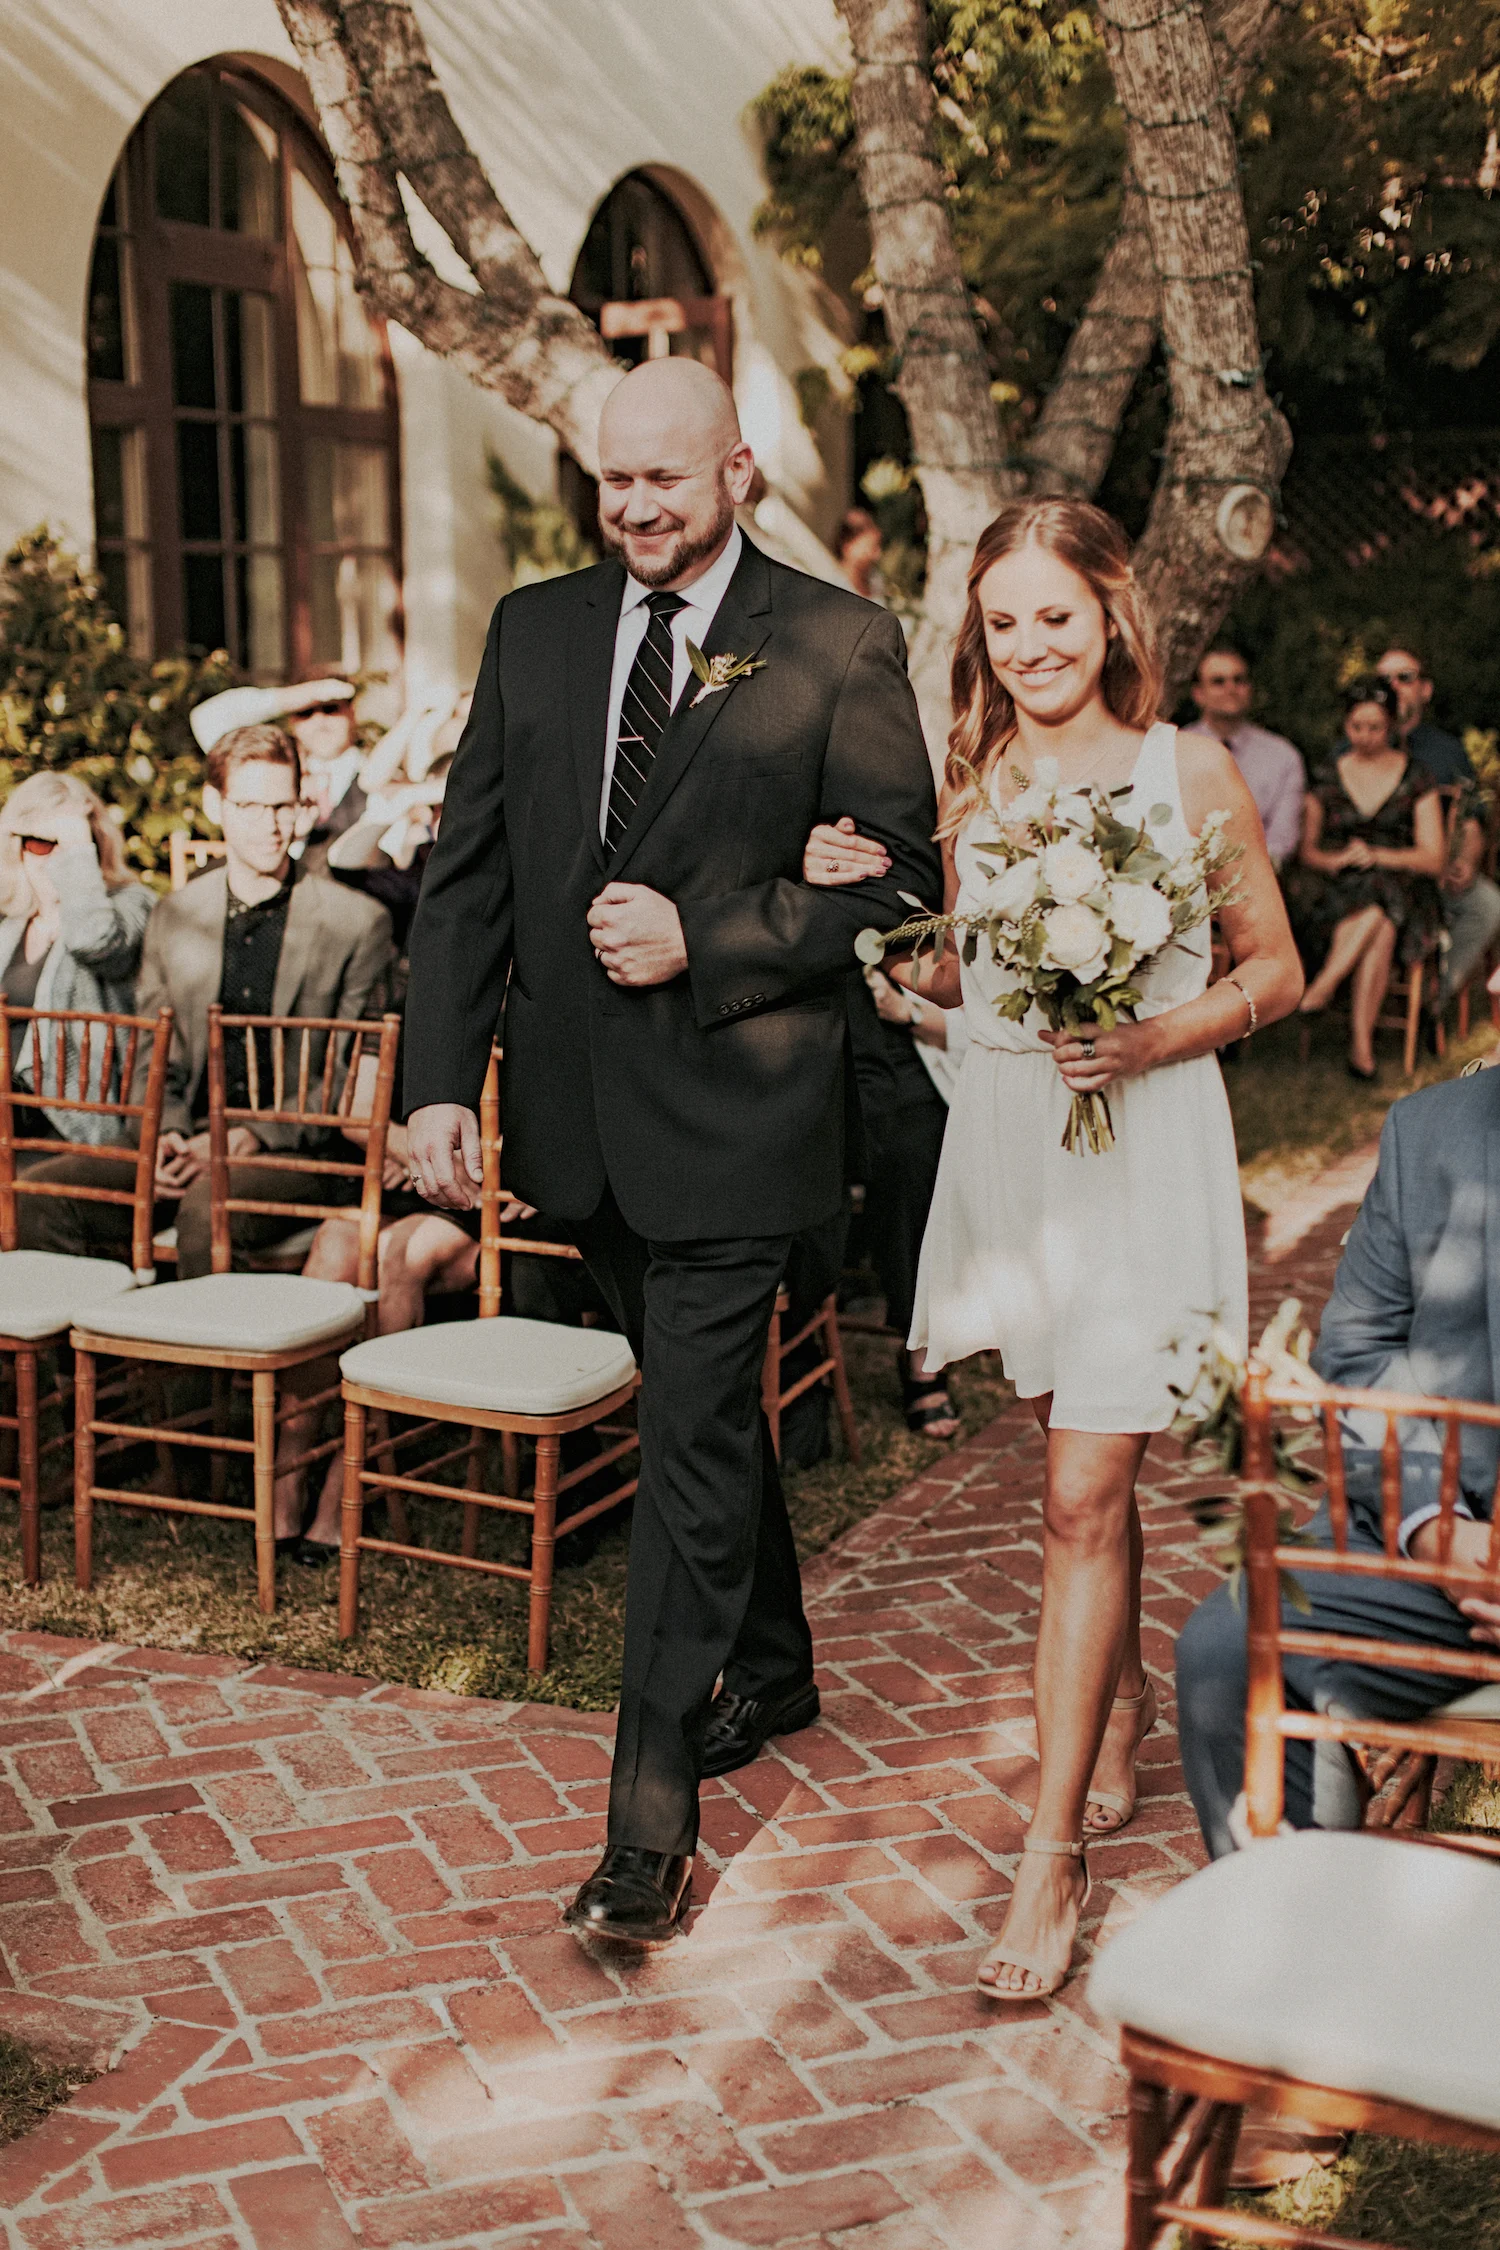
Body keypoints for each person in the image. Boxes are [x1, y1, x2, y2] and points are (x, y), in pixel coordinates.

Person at [402, 356, 940, 1949]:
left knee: (685, 1449)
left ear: (738, 471)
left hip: (743, 1123)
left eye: (666, 477)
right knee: (712, 1434)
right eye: (612, 478)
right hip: (578, 1132)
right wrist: (441, 1082)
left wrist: (704, 933)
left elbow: (895, 883)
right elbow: (468, 874)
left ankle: (647, 1831)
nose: (634, 504)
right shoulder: (536, 628)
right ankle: (774, 1665)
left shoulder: (839, 640)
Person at [802, 497, 1302, 2001]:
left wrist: (1154, 1032)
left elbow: (1273, 968)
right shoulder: (984, 774)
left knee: (1085, 1494)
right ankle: (1129, 1691)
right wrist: (886, 931)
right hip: (1022, 1148)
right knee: (1075, 1456)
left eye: (1055, 617)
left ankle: (1049, 1860)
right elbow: (978, 973)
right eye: (1002, 622)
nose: (1028, 647)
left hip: (1144, 1150)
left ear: (1112, 612)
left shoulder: (1189, 768)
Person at [18, 727, 392, 1533]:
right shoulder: (178, 914)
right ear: (218, 806)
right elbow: (165, 1054)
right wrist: (169, 1138)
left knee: (203, 1209)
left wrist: (248, 1137)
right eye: (250, 806)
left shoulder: (354, 922)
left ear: (305, 805)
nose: (270, 824)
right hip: (192, 1142)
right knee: (47, 1194)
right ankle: (110, 1418)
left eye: (284, 804)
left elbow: (342, 1071)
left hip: (300, 1152)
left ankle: (204, 1461)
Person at [1177, 1046, 1500, 1860]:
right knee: (1225, 1653)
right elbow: (1356, 1355)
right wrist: (1438, 1531)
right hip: (1444, 1553)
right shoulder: (1429, 1129)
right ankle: (1302, 1936)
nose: (1495, 981)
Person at [1287, 677, 1446, 1080]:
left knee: (1382, 897)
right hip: (1340, 890)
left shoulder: (1417, 776)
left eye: (1375, 727)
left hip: (1406, 886)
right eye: (1357, 727)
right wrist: (1338, 860)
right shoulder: (1327, 774)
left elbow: (1433, 858)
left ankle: (1323, 987)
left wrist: (1379, 855)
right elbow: (1308, 853)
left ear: (1391, 725)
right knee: (1378, 913)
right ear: (1345, 725)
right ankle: (1361, 1048)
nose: (1365, 736)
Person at [0, 773, 154, 1159]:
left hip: (70, 1125)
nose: (57, 858)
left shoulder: (130, 906)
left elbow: (93, 939)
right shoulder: (12, 925)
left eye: (72, 843)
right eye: (42, 843)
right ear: (16, 849)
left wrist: (77, 856)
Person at [1376, 644, 1500, 1016]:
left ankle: (1433, 998)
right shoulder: (1355, 745)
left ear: (1424, 689)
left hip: (1438, 874)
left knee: (1489, 905)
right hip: (1378, 873)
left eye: (1405, 677)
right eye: (1385, 679)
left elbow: (1471, 816)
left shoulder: (1448, 752)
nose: (1394, 686)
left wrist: (1466, 859)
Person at [191, 676, 366, 868]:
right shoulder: (273, 770)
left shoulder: (381, 774)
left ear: (352, 713)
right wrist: (297, 696)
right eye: (305, 712)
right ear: (292, 719)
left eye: (330, 709)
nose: (319, 721)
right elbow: (206, 718)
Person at [1182, 644, 1306, 868]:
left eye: (1239, 680)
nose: (1231, 688)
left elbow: (1282, 840)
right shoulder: (1176, 749)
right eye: (1218, 681)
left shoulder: (1283, 757)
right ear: (1198, 694)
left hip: (1259, 881)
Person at [835, 507, 886, 604]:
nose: (877, 555)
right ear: (848, 546)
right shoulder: (834, 587)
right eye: (871, 548)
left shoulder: (875, 580)